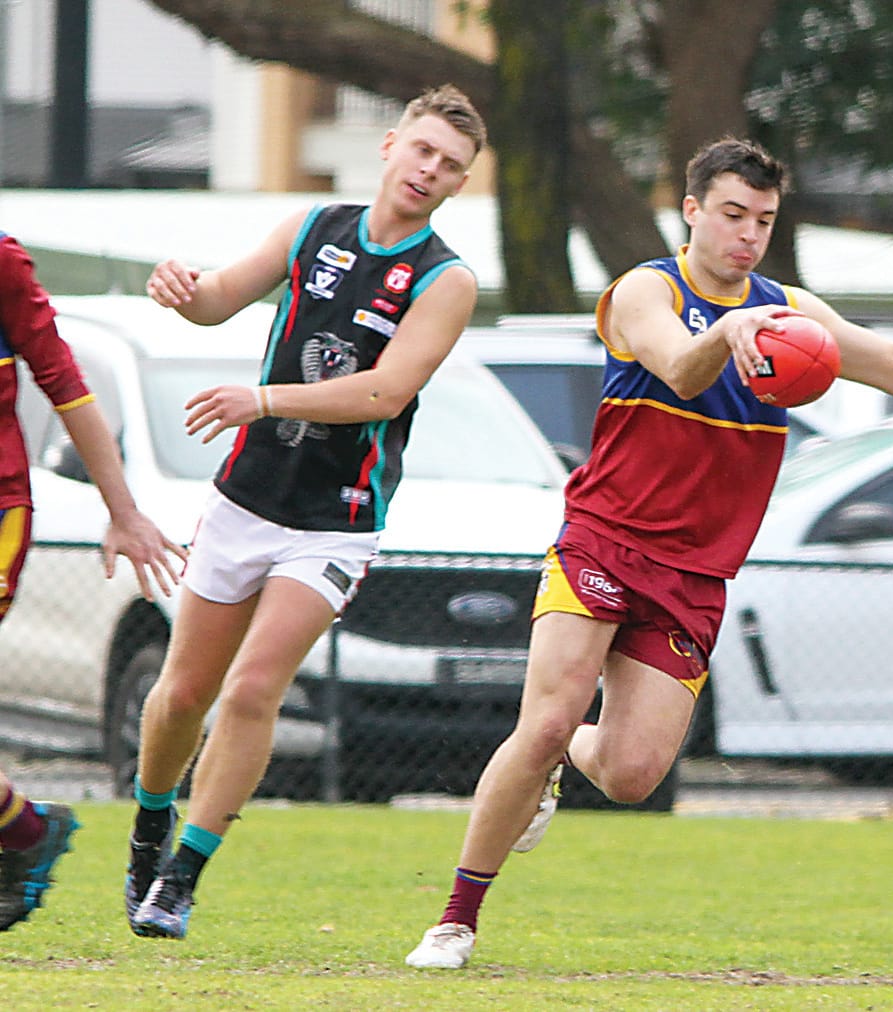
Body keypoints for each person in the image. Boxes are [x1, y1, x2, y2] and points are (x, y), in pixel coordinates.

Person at [405, 136, 893, 969]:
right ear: (692, 210)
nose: (747, 234)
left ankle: (561, 759)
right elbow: (678, 366)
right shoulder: (643, 290)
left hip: (694, 572)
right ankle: (455, 920)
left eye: (764, 220)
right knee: (547, 715)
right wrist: (730, 328)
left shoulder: (790, 313)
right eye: (732, 214)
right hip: (604, 536)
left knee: (630, 775)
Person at [124, 84, 486, 941]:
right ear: (391, 144)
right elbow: (216, 298)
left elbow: (384, 390)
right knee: (182, 695)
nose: (429, 172)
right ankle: (148, 826)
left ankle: (182, 877)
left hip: (335, 519)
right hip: (246, 498)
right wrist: (179, 287)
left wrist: (264, 398)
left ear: (459, 184)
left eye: (450, 167)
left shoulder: (446, 279)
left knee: (254, 689)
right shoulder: (312, 228)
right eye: (423, 151)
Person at [0, 231, 186, 930]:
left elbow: (66, 385)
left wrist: (124, 511)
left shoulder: (3, 262)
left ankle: (25, 833)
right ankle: (25, 831)